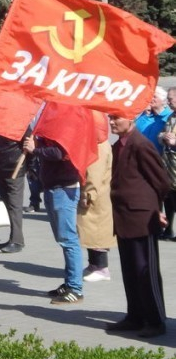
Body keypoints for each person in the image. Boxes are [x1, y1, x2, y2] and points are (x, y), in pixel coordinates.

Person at [106, 113, 171, 338]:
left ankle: (155, 321)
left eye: (116, 118)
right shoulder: (120, 145)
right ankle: (135, 316)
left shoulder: (140, 144)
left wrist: (157, 210)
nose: (112, 122)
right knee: (130, 271)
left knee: (146, 271)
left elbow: (161, 180)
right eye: (110, 118)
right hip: (124, 217)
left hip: (142, 217)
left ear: (131, 120)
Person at [23, 133, 84, 304]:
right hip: (52, 185)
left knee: (68, 239)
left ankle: (75, 288)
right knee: (62, 238)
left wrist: (36, 149)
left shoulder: (65, 122)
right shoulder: (52, 123)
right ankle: (69, 282)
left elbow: (59, 152)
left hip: (64, 187)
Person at [79, 116, 115, 283]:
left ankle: (101, 267)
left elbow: (94, 174)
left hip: (97, 197)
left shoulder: (99, 146)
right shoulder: (97, 144)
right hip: (96, 195)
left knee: (97, 233)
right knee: (90, 232)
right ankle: (93, 264)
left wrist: (88, 194)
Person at [0, 134, 25, 253]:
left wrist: (30, 167)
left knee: (14, 206)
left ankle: (17, 241)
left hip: (15, 169)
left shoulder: (20, 125)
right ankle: (13, 237)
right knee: (7, 204)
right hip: (0, 167)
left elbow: (29, 145)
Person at [158, 87, 176, 239]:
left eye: (170, 99)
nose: (168, 102)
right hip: (169, 166)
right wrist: (163, 136)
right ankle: (168, 229)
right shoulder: (171, 117)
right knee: (169, 198)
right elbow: (162, 134)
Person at [135, 86, 171, 153]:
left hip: (161, 158)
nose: (150, 98)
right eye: (150, 96)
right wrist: (146, 114)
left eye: (154, 96)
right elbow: (136, 129)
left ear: (163, 100)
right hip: (142, 155)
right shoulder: (146, 115)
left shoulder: (169, 117)